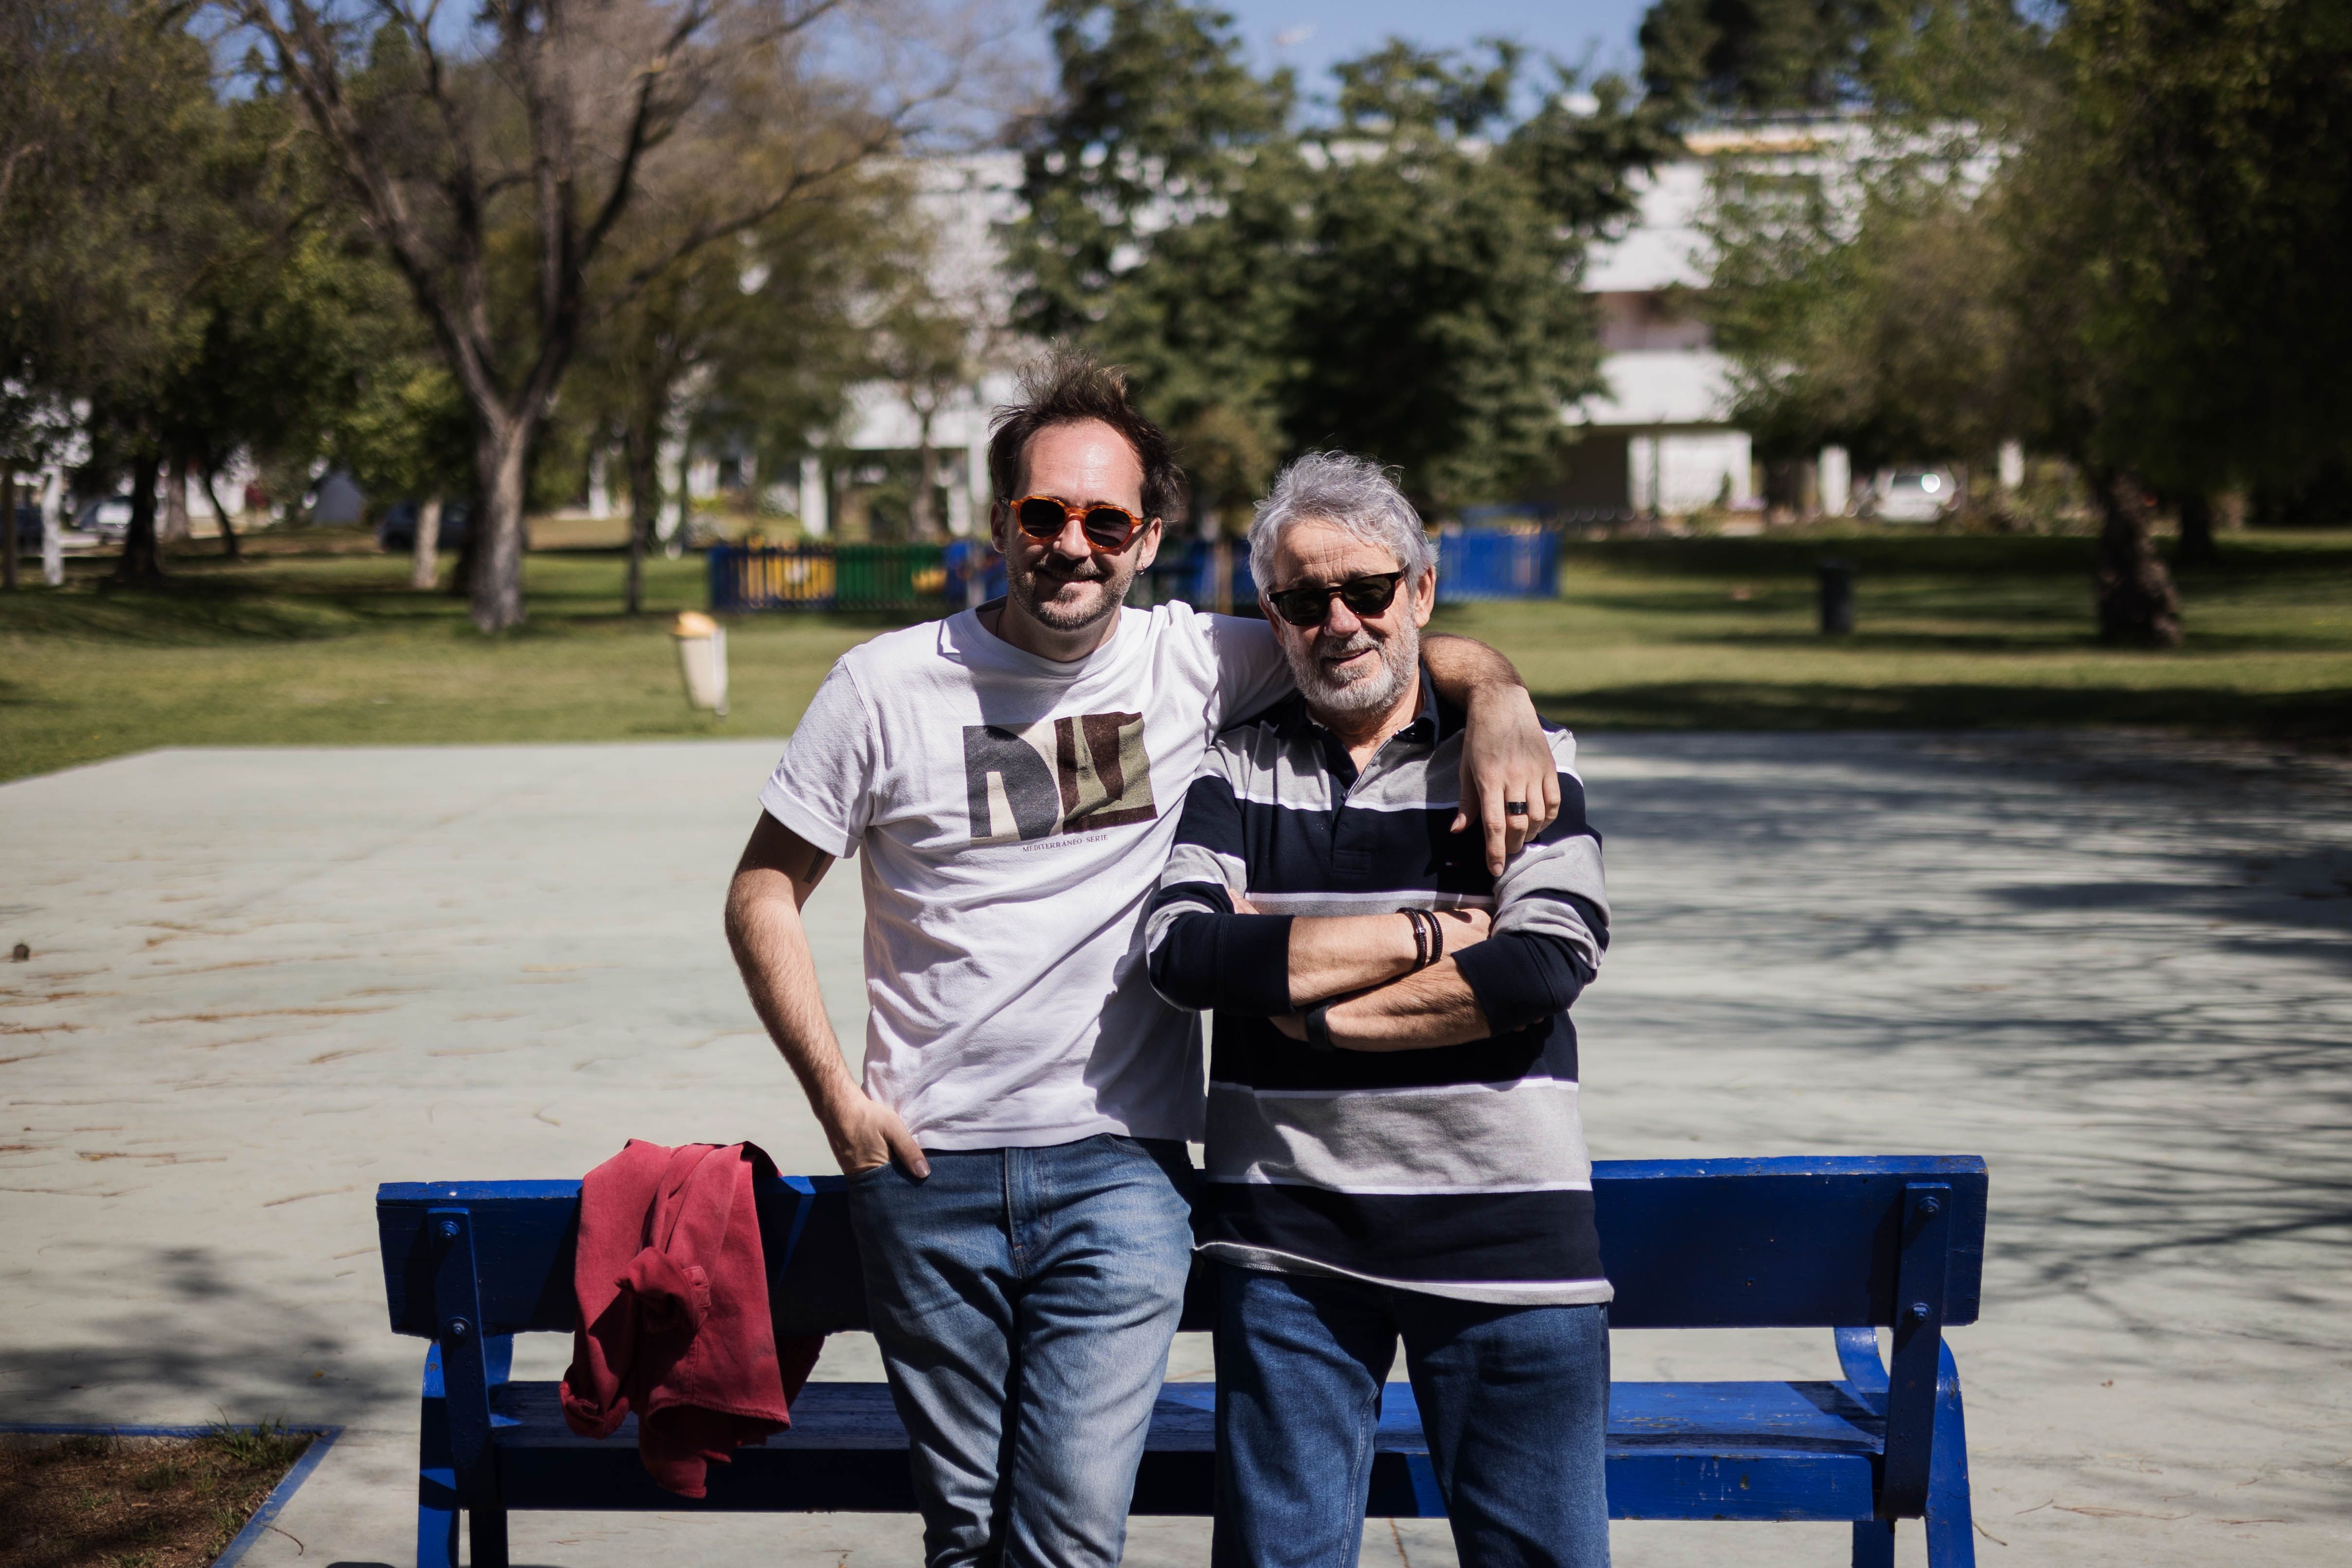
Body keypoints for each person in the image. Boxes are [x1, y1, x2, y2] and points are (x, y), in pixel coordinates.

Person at [723, 352, 1561, 1568]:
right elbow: (762, 892)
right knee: (965, 1534)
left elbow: (1378, 626)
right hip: (922, 1164)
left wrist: (1500, 697)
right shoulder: (885, 685)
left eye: (1103, 518)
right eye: (1042, 513)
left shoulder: (1197, 659)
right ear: (1000, 520)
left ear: (1146, 535)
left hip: (1120, 1171)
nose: (1072, 543)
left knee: (1067, 1534)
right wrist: (836, 1103)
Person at [1143, 452, 1613, 1568]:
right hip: (1286, 1247)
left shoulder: (1516, 765)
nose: (1340, 622)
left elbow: (1544, 963)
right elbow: (1183, 950)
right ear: (1273, 614)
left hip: (1506, 1240)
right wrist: (1424, 934)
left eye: (1367, 590)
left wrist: (1311, 1014)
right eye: (1304, 601)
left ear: (1422, 592)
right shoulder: (1235, 767)